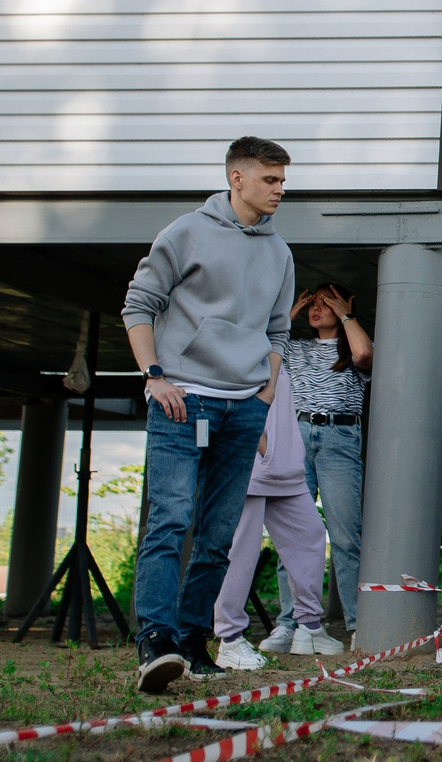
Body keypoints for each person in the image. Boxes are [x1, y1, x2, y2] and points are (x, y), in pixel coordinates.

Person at [122, 136, 297, 694]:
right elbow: (138, 304)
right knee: (171, 521)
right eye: (270, 180)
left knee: (218, 534)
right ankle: (156, 641)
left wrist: (265, 397)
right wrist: (154, 375)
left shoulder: (279, 252)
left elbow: (277, 331)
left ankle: (195, 643)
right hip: (181, 400)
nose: (279, 190)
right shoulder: (186, 232)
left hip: (244, 407)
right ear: (237, 178)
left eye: (283, 181)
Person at [212, 368, 341, 668]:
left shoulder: (275, 347)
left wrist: (278, 455)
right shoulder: (244, 344)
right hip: (253, 461)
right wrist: (264, 447)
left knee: (309, 534)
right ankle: (229, 638)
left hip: (284, 467)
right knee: (242, 550)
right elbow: (232, 397)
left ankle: (309, 627)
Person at [282, 282, 369, 639]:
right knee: (292, 533)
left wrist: (346, 313)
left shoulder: (354, 349)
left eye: (325, 303)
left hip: (340, 437)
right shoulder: (297, 347)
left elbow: (364, 355)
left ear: (343, 305)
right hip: (298, 434)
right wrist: (290, 313)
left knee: (346, 535)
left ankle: (356, 624)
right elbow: (263, 347)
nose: (316, 309)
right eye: (312, 304)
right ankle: (290, 622)